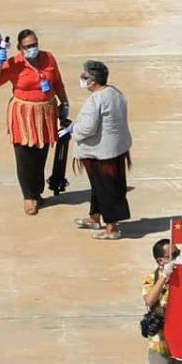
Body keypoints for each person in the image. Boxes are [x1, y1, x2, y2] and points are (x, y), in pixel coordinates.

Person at [0, 28, 68, 215]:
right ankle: (28, 196)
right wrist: (0, 63)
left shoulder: (48, 58)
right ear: (20, 48)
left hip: (45, 113)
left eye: (35, 44)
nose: (33, 48)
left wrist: (64, 102)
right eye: (28, 46)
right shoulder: (14, 63)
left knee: (41, 154)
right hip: (23, 114)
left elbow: (57, 83)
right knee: (24, 156)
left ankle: (37, 192)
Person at [73, 60, 132, 240]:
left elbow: (87, 128)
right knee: (98, 186)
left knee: (106, 188)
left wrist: (73, 129)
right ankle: (94, 216)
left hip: (100, 153)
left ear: (94, 80)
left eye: (85, 76)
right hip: (116, 149)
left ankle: (112, 227)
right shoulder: (115, 93)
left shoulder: (95, 100)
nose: (83, 79)